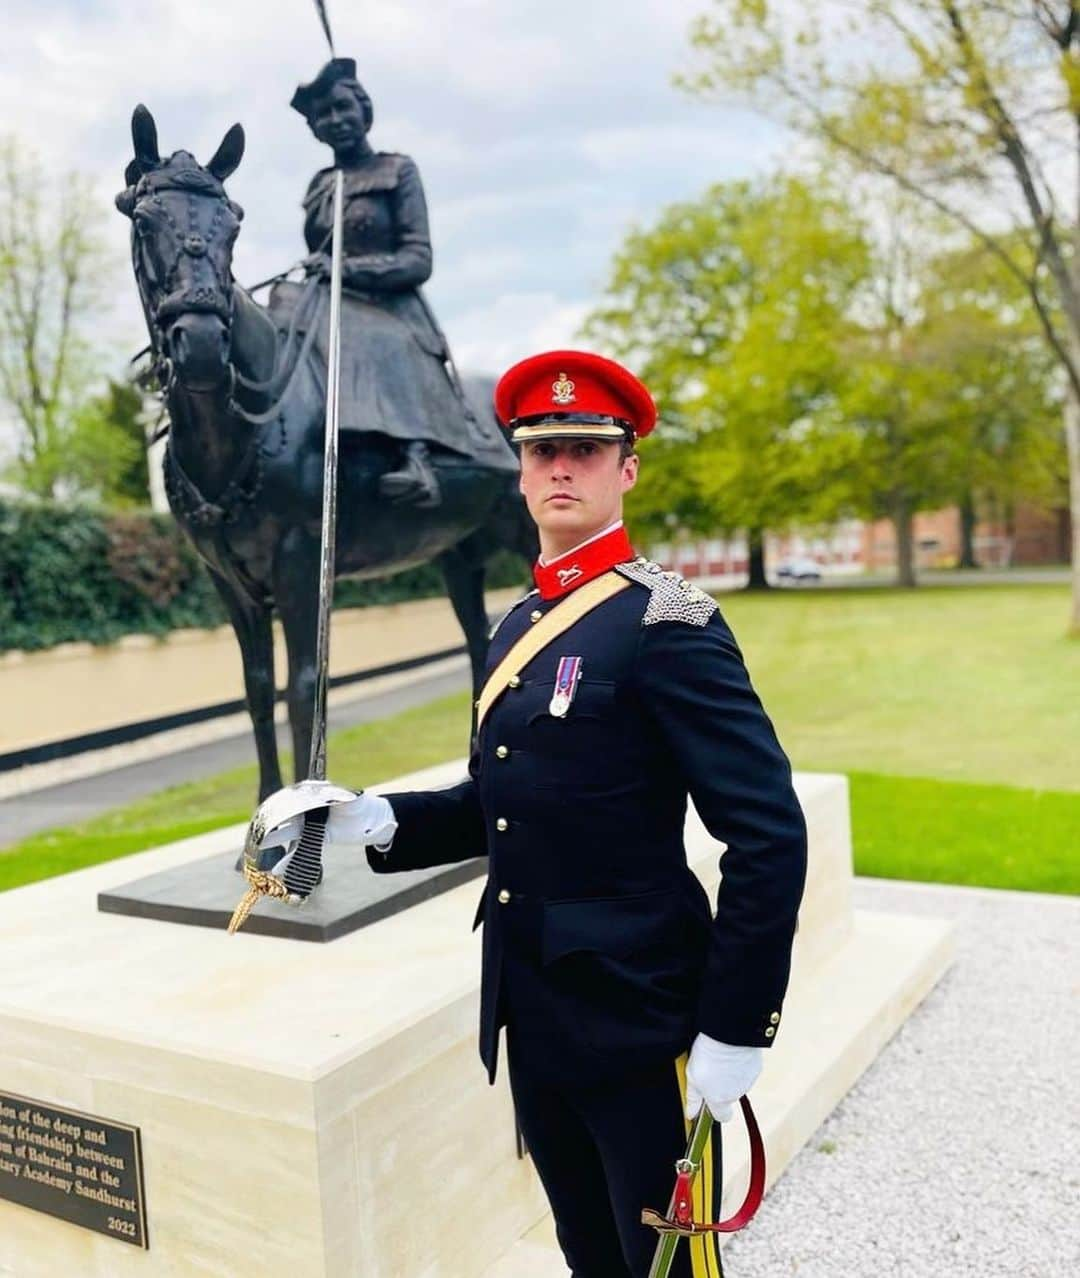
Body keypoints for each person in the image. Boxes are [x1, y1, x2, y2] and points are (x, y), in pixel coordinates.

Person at [316, 350, 808, 1276]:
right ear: (521, 472)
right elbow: (493, 806)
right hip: (532, 1013)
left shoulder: (671, 622)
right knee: (587, 1251)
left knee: (665, 1267)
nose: (562, 468)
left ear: (627, 468)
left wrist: (737, 1026)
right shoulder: (515, 625)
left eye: (586, 448)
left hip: (639, 1019)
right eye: (543, 451)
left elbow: (768, 833)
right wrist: (373, 819)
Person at [289, 58, 493, 507]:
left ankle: (415, 458)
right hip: (328, 300)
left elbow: (418, 259)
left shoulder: (397, 170)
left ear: (364, 110)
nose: (335, 120)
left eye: (343, 108)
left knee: (371, 338)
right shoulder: (319, 185)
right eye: (323, 116)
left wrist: (348, 271)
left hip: (390, 305)